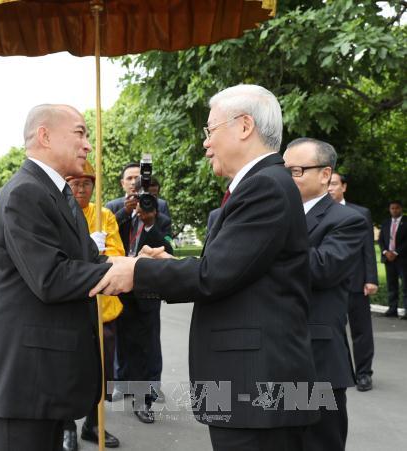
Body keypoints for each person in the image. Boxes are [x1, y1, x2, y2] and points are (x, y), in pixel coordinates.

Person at [92, 84, 318, 451]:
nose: (206, 143)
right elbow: (232, 267)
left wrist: (134, 271)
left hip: (256, 387)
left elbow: (214, 276)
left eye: (210, 130)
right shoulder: (262, 184)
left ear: (244, 126)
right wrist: (171, 264)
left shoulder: (266, 186)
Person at [0, 104, 114, 451]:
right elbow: (50, 277)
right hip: (25, 383)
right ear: (45, 136)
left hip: (47, 379)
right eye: (80, 133)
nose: (87, 145)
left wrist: (139, 264)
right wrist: (128, 271)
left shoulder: (59, 195)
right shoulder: (25, 193)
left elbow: (91, 261)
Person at [283, 138, 368, 451]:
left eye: (297, 170)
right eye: (284, 170)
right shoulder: (278, 215)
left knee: (318, 443)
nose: (288, 177)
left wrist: (267, 243)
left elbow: (320, 268)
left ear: (325, 174)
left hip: (316, 359)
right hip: (275, 357)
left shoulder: (346, 220)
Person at [62, 160, 123, 449]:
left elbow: (117, 253)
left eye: (86, 183)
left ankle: (94, 422)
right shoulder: (59, 214)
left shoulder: (105, 215)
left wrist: (99, 250)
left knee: (103, 369)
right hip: (72, 305)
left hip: (103, 307)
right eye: (74, 182)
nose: (80, 188)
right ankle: (67, 426)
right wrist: (86, 247)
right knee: (69, 368)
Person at [106, 163, 172, 413]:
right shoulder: (114, 208)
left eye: (138, 178)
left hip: (147, 286)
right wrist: (125, 212)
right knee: (122, 339)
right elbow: (109, 236)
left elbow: (167, 245)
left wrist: (151, 224)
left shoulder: (158, 209)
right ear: (124, 184)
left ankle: (146, 395)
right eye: (130, 179)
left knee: (148, 342)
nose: (135, 183)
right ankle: (122, 382)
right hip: (121, 286)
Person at [328, 172, 378, 391]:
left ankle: (364, 373)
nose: (330, 188)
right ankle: (346, 371)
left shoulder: (360, 213)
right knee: (335, 330)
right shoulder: (319, 212)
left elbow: (368, 248)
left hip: (357, 282)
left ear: (344, 187)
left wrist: (371, 279)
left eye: (334, 184)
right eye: (328, 184)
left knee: (362, 331)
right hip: (331, 283)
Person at [378, 201, 407, 318]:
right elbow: (380, 240)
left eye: (397, 208)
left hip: (403, 259)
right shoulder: (385, 223)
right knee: (391, 285)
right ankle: (392, 309)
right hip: (388, 259)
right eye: (392, 208)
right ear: (389, 209)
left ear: (401, 209)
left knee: (405, 285)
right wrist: (386, 252)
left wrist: (395, 252)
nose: (394, 210)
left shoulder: (406, 222)